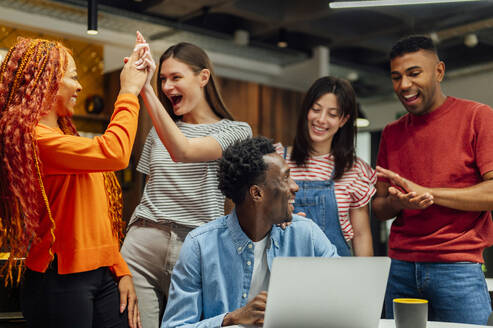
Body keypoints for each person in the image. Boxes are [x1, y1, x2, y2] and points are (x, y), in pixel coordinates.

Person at [0, 33, 148, 328]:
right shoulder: (36, 140)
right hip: (59, 280)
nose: (80, 85)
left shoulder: (66, 139)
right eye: (72, 77)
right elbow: (116, 152)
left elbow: (98, 216)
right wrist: (129, 91)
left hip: (102, 274)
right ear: (47, 82)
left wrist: (120, 270)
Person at [121, 42, 252, 328]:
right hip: (142, 244)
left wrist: (145, 89)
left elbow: (185, 152)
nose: (167, 86)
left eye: (176, 77)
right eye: (163, 79)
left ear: (203, 77)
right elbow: (145, 190)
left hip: (198, 248)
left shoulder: (236, 131)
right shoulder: (160, 129)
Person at [372, 35, 493, 325]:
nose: (404, 85)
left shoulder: (478, 117)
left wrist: (430, 194)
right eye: (396, 77)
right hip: (400, 266)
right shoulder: (391, 132)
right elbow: (378, 208)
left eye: (414, 73)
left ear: (439, 71)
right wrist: (397, 202)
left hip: (457, 267)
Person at [161, 136, 338, 328]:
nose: (295, 186)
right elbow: (175, 326)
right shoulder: (200, 246)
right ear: (257, 193)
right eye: (285, 178)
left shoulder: (307, 235)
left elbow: (343, 299)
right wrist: (233, 318)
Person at [275, 76, 375, 256]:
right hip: (284, 270)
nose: (321, 119)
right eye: (316, 109)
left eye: (332, 114)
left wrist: (365, 281)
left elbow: (360, 235)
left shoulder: (355, 170)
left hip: (336, 274)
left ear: (343, 120)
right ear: (307, 110)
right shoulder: (276, 160)